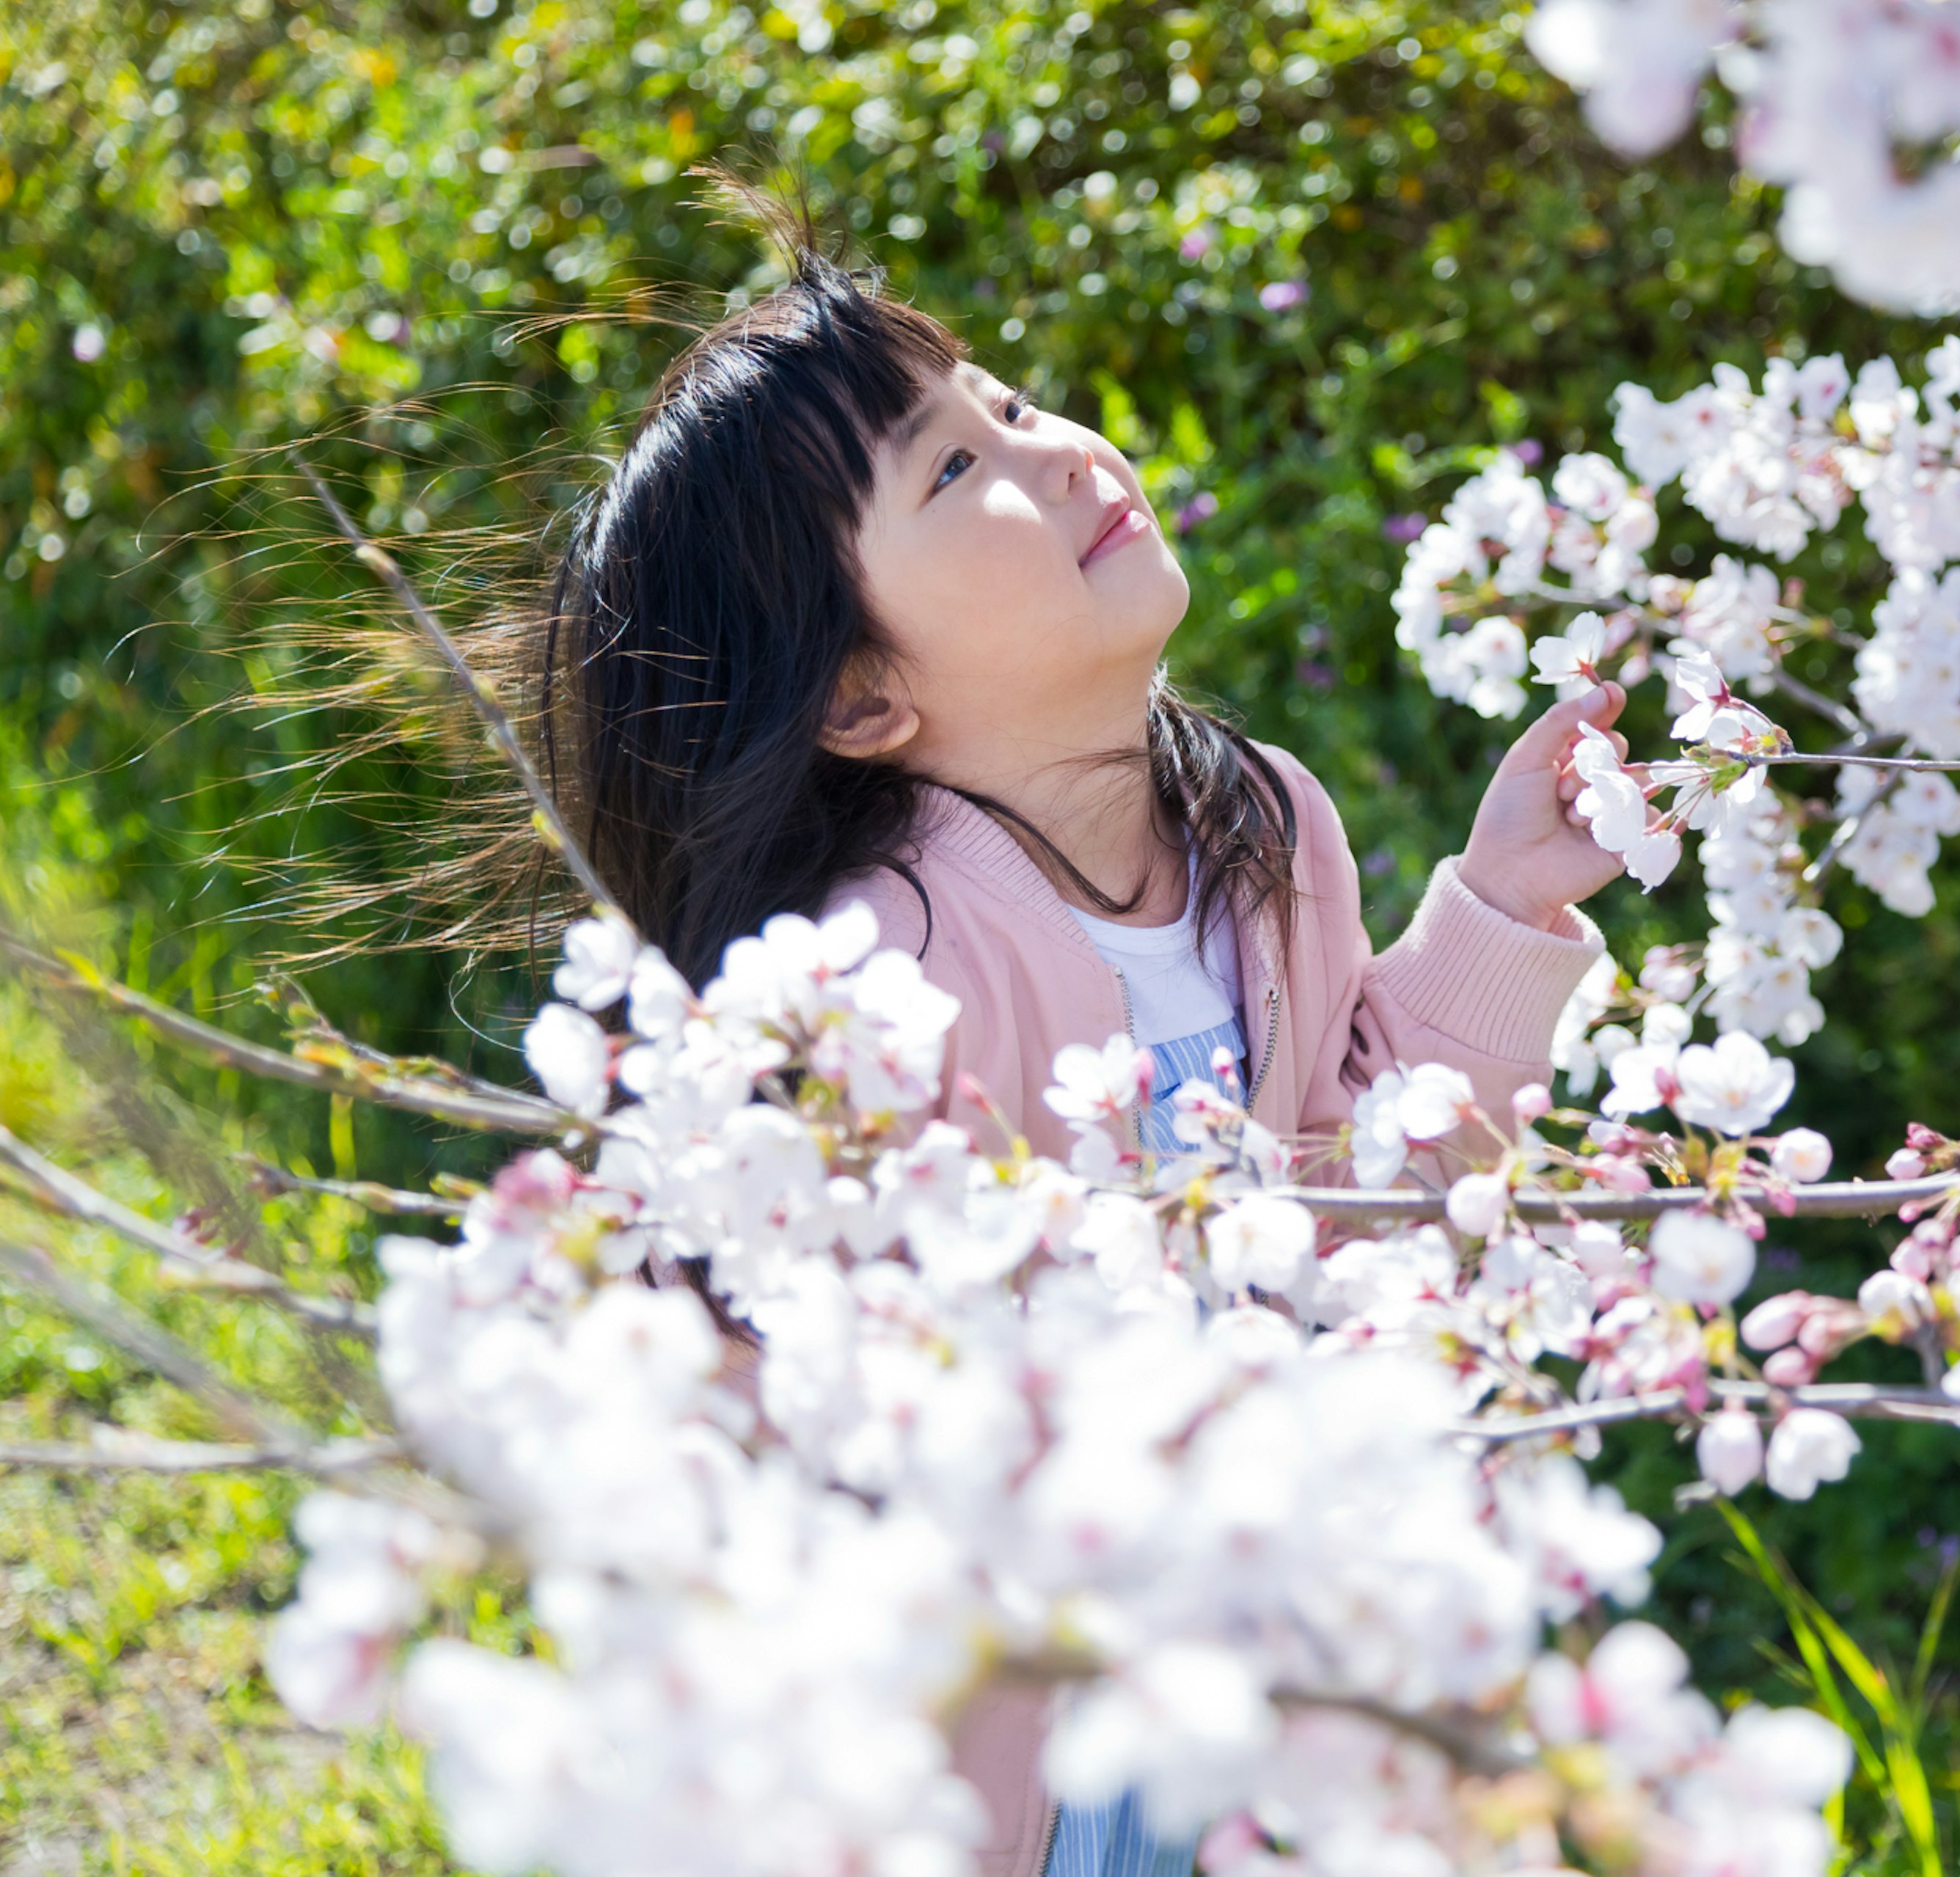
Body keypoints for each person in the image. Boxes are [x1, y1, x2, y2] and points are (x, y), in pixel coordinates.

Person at [527, 183, 1633, 1877]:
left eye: (1012, 404)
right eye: (953, 469)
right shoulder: (881, 972)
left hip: (1247, 1676)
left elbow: (1355, 1192)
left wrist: (1496, 907)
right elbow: (803, 1376)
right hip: (1000, 1739)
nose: (1048, 450)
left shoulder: (1265, 829)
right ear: (859, 697)